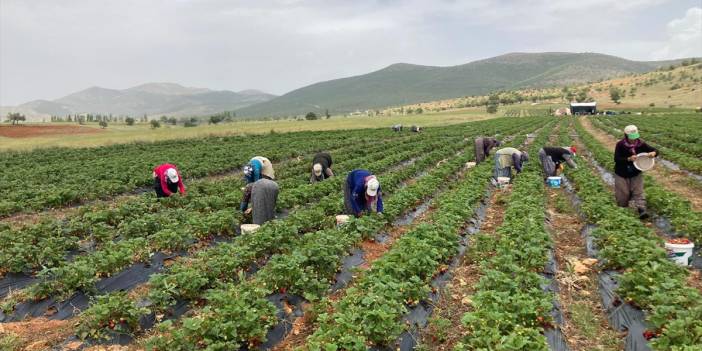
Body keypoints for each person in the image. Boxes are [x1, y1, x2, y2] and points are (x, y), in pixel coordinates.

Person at [614, 125, 657, 219]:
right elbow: (617, 159)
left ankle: (642, 210)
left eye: (635, 137)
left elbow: (654, 150)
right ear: (626, 136)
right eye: (631, 138)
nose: (634, 140)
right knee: (623, 194)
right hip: (622, 173)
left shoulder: (641, 143)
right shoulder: (620, 145)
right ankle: (623, 211)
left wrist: (653, 153)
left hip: (636, 172)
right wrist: (629, 158)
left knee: (638, 192)